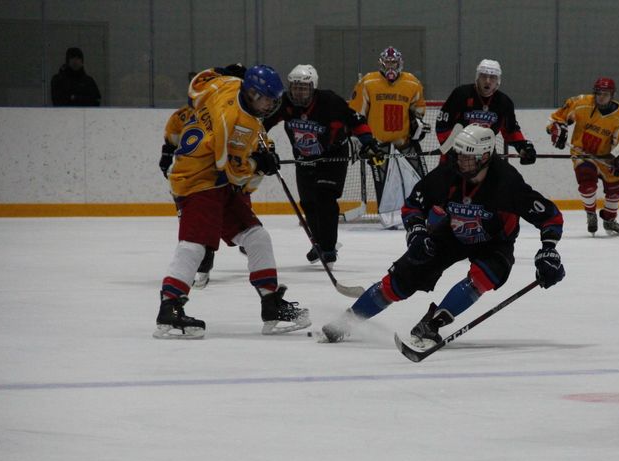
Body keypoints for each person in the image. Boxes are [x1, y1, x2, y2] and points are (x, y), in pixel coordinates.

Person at [320, 124, 565, 344]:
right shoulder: (448, 173)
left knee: (484, 277)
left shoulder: (507, 183)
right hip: (452, 233)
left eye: (468, 157)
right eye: (460, 155)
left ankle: (432, 324)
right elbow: (413, 205)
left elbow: (550, 216)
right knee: (400, 280)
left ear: (486, 156)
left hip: (495, 241)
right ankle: (348, 320)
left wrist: (548, 250)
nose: (461, 161)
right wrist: (416, 233)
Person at [154, 64, 311, 339]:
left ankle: (271, 304)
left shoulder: (225, 84)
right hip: (198, 179)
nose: (270, 105)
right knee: (195, 245)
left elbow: (197, 84)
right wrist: (258, 163)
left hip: (215, 178)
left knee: (257, 237)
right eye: (266, 99)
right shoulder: (237, 124)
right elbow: (236, 175)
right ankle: (170, 306)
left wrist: (221, 70)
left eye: (274, 100)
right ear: (250, 93)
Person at [263, 64, 382, 267]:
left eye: (304, 87)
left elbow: (355, 120)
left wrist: (369, 143)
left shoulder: (329, 101)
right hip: (304, 158)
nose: (298, 92)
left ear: (313, 87)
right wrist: (265, 149)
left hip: (332, 157)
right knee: (308, 203)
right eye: (295, 87)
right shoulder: (284, 103)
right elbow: (261, 126)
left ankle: (328, 248)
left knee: (325, 198)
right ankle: (317, 242)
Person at [160, 64, 249, 288]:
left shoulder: (189, 113)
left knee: (203, 224)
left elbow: (170, 141)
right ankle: (200, 264)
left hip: (201, 178)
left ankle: (199, 264)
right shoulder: (220, 111)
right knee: (200, 226)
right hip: (204, 179)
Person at [547, 77, 619, 235]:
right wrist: (556, 130)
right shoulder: (581, 103)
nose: (601, 97)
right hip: (582, 152)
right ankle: (591, 214)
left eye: (605, 94)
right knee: (587, 181)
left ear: (612, 95)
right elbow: (556, 119)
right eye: (598, 93)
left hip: (605, 156)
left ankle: (609, 220)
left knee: (616, 188)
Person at [348, 47, 429, 205]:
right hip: (378, 147)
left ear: (400, 63)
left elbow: (418, 112)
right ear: (381, 63)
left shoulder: (412, 82)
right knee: (386, 187)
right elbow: (357, 113)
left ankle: (418, 212)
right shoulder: (368, 82)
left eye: (394, 63)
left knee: (419, 181)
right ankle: (390, 215)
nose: (390, 67)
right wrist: (361, 141)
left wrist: (418, 125)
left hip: (405, 144)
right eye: (387, 63)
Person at [435, 59, 536, 165]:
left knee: (509, 178)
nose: (487, 81)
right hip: (457, 155)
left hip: (486, 156)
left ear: (498, 80)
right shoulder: (461, 94)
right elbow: (442, 125)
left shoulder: (504, 102)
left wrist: (523, 147)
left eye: (492, 77)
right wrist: (452, 148)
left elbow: (510, 130)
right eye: (484, 76)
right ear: (477, 77)